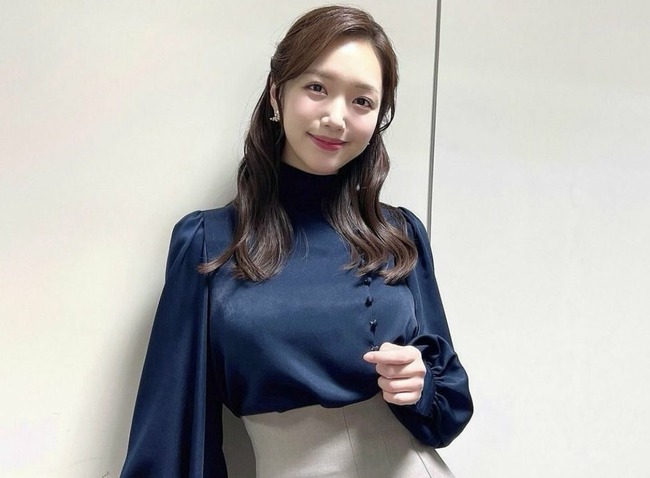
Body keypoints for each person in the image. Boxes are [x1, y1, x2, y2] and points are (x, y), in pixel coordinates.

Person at [120, 5, 472, 478]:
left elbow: (449, 406)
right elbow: (172, 429)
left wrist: (420, 384)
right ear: (276, 93)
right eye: (317, 88)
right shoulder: (208, 243)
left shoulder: (398, 233)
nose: (336, 117)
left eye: (362, 101)